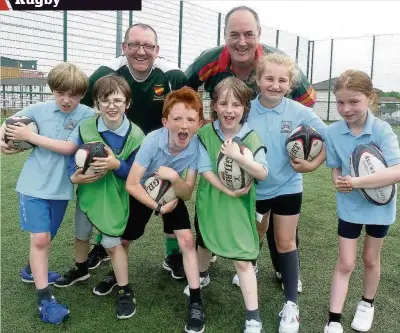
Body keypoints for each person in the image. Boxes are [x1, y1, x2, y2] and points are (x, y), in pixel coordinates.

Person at [186, 5, 315, 290]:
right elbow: (184, 92)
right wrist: (199, 122)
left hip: (269, 160)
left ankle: (284, 269)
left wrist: (293, 146)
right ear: (225, 35)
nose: (241, 41)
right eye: (234, 34)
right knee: (218, 207)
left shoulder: (277, 63)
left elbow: (306, 101)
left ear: (258, 34)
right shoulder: (208, 61)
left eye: (248, 34)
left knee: (278, 216)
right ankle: (207, 262)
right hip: (222, 147)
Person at [80, 23, 188, 281]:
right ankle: (102, 245)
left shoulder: (172, 75)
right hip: (124, 151)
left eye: (148, 46)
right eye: (134, 45)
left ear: (157, 49)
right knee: (117, 198)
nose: (141, 51)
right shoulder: (106, 73)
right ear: (124, 47)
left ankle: (173, 255)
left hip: (164, 152)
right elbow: (79, 108)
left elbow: (188, 114)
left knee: (171, 200)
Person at [0, 62, 95, 324]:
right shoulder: (39, 110)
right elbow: (9, 124)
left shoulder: (87, 115)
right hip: (32, 187)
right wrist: (3, 138)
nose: (66, 100)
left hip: (61, 189)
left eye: (73, 95)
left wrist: (29, 137)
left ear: (82, 95)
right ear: (52, 90)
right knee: (40, 240)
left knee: (46, 239)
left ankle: (30, 271)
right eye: (60, 93)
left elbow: (69, 147)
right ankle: (45, 300)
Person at [247, 52, 327, 333]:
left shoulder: (299, 112)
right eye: (269, 78)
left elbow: (328, 138)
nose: (275, 84)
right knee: (255, 232)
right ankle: (252, 266)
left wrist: (312, 164)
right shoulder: (246, 109)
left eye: (282, 80)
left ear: (290, 84)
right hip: (253, 188)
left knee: (285, 242)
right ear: (258, 79)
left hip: (287, 186)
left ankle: (291, 306)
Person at [53, 75, 144, 320]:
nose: (111, 106)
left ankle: (125, 289)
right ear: (97, 102)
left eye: (117, 100)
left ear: (128, 103)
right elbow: (74, 158)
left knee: (112, 243)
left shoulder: (136, 135)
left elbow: (136, 174)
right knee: (81, 235)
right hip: (89, 191)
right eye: (105, 100)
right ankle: (81, 268)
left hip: (115, 198)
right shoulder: (87, 127)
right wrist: (75, 176)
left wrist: (117, 165)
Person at [184, 77, 268, 333]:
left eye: (236, 104)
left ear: (245, 107)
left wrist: (237, 157)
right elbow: (205, 168)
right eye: (223, 103)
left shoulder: (251, 137)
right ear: (215, 107)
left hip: (239, 207)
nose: (229, 110)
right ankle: (202, 274)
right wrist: (226, 190)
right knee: (204, 241)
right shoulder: (205, 134)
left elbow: (262, 172)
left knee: (242, 259)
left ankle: (253, 316)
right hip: (212, 201)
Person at [121, 86, 205, 333]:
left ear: (199, 123)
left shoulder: (197, 147)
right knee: (125, 239)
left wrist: (174, 179)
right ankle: (118, 279)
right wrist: (157, 206)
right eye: (177, 118)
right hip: (145, 193)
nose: (184, 125)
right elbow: (132, 183)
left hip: (173, 194)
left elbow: (187, 192)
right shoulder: (152, 141)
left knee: (187, 240)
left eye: (190, 119)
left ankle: (196, 301)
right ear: (165, 121)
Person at [324, 70, 400, 333]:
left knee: (370, 258)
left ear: (370, 98)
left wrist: (355, 182)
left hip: (380, 207)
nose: (346, 109)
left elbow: (397, 171)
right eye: (341, 102)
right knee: (345, 262)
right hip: (350, 208)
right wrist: (338, 180)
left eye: (353, 101)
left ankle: (367, 304)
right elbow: (335, 166)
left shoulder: (382, 130)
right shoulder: (333, 132)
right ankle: (333, 320)